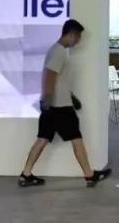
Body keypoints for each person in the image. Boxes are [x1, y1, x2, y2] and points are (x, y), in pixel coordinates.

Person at [19, 19, 111, 188]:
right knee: (76, 139)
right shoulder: (59, 52)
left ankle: (26, 174)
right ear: (72, 34)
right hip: (60, 107)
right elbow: (50, 76)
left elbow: (59, 81)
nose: (78, 41)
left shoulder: (56, 51)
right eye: (78, 37)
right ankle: (90, 176)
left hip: (56, 105)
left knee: (42, 139)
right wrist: (47, 100)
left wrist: (71, 98)